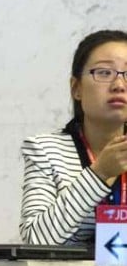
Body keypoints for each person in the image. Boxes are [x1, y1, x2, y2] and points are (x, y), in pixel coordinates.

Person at [21, 29, 127, 245]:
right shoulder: (45, 150)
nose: (119, 85)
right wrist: (99, 174)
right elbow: (36, 241)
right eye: (105, 73)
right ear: (76, 88)